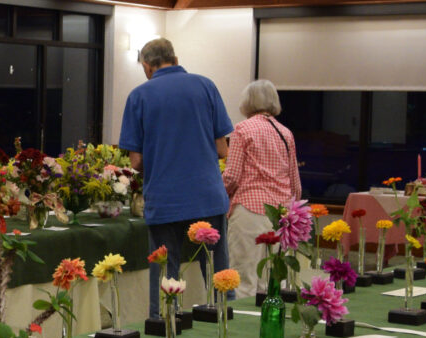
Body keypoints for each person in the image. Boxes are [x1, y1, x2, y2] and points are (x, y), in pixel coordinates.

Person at [118, 39, 233, 311]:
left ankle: (164, 333)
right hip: (207, 196)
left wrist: (163, 162)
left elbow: (135, 161)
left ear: (147, 66)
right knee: (219, 277)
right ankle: (227, 335)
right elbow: (221, 149)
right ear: (176, 57)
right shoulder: (206, 86)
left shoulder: (139, 96)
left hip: (165, 198)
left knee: (165, 278)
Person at [223, 79, 301, 299]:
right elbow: (295, 183)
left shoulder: (242, 129)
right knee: (273, 280)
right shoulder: (286, 133)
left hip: (250, 210)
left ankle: (241, 329)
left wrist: (213, 192)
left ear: (247, 102)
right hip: (281, 215)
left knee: (244, 279)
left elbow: (232, 176)